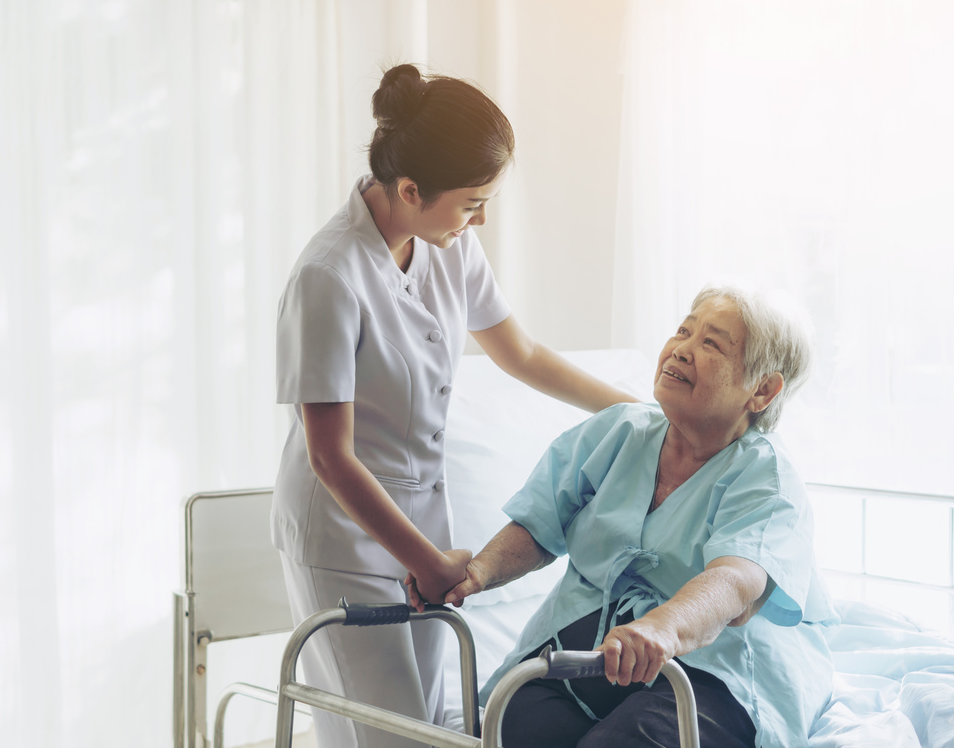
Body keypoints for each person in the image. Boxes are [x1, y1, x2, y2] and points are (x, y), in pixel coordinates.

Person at [272, 63, 637, 748]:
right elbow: (330, 456)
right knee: (389, 734)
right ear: (410, 190)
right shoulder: (329, 275)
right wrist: (430, 562)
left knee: (431, 725)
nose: (482, 218)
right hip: (345, 535)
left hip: (422, 526)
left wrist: (642, 412)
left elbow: (523, 356)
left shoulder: (449, 246)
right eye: (472, 202)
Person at [418, 285, 838, 748]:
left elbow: (736, 581)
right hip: (595, 652)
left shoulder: (766, 477)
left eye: (711, 343)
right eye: (683, 330)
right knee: (514, 724)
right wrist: (475, 574)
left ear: (762, 389)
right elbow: (538, 525)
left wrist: (663, 625)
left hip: (713, 668)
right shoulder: (618, 431)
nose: (681, 349)